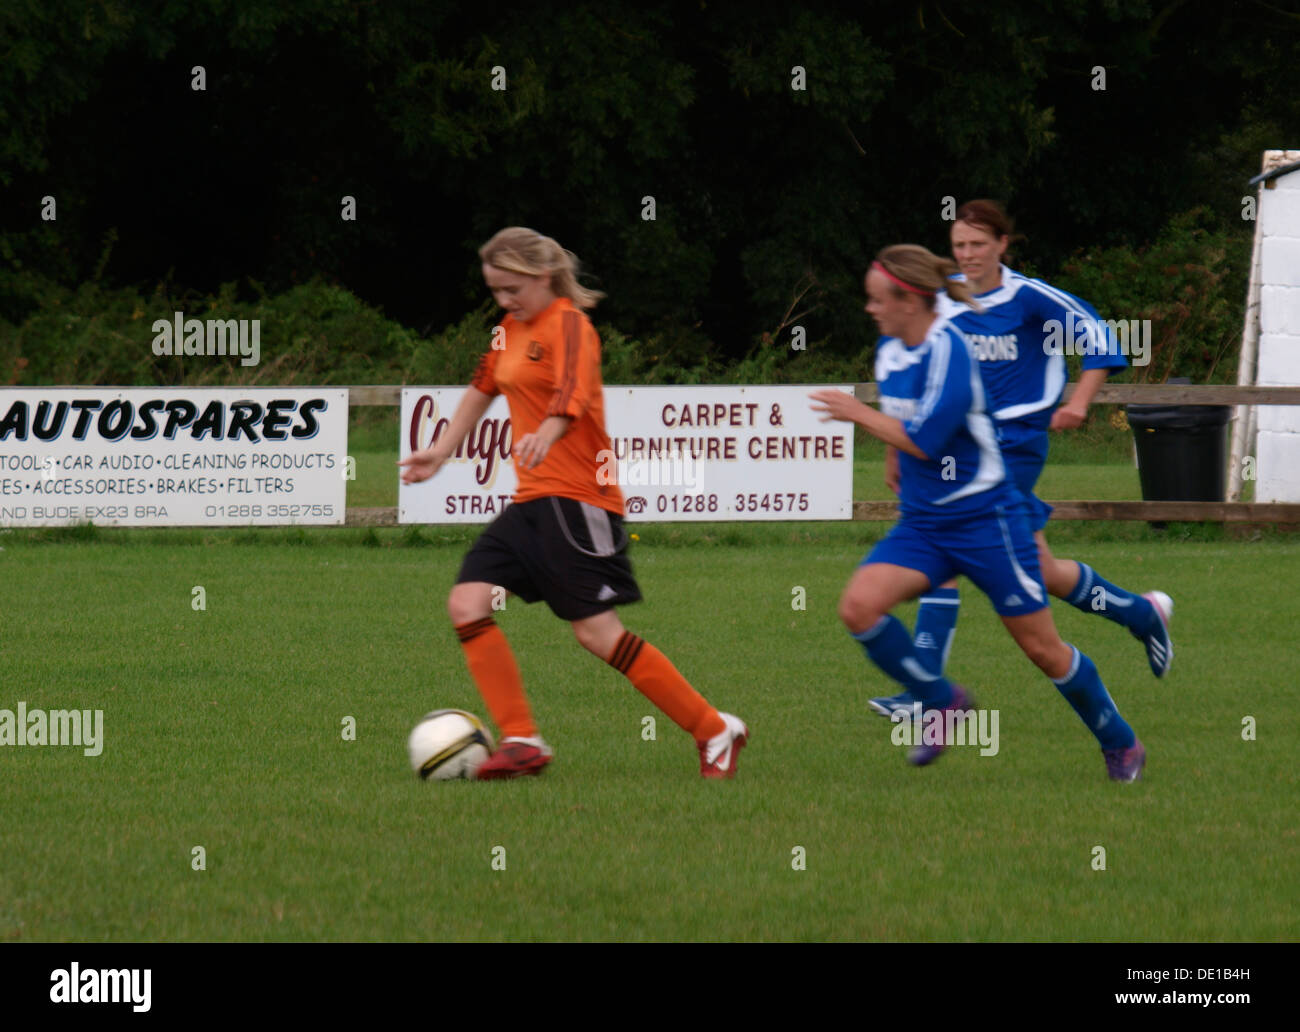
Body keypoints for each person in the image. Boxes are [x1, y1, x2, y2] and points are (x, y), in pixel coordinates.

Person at [399, 227, 748, 779]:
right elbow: (480, 389)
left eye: (512, 288)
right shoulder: (507, 331)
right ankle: (522, 739)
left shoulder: (572, 327)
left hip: (580, 502)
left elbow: (574, 397)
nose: (505, 301)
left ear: (542, 276)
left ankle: (713, 730)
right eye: (496, 290)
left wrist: (548, 432)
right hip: (530, 503)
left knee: (597, 635)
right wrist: (440, 452)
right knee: (467, 603)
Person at [810, 244, 1145, 780]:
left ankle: (1120, 740)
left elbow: (929, 439)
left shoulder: (951, 350)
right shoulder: (892, 349)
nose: (870, 310)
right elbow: (905, 421)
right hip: (924, 524)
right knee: (858, 607)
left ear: (910, 301)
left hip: (988, 521)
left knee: (1043, 649)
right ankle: (943, 702)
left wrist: (858, 415)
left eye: (877, 300)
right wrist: (890, 454)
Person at [871, 201, 1171, 717]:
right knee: (1042, 570)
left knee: (941, 549)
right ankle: (1140, 613)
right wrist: (895, 448)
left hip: (1013, 447)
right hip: (957, 448)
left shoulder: (1029, 298)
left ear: (1003, 245)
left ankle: (925, 693)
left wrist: (1078, 402)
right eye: (959, 245)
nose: (967, 255)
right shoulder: (939, 304)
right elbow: (909, 382)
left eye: (978, 245)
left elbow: (1098, 337)